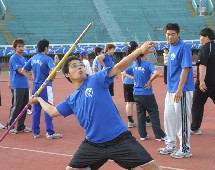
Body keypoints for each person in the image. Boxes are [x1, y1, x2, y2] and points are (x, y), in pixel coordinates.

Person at [28, 41, 162, 170]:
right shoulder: (72, 99)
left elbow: (119, 67)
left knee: (152, 166)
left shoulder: (96, 79)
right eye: (74, 66)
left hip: (120, 139)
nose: (80, 66)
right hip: (93, 144)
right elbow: (52, 111)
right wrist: (39, 99)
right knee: (72, 169)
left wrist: (139, 51)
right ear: (67, 74)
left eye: (81, 64)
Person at [158, 23, 195, 159]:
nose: (170, 36)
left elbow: (186, 68)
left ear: (178, 34)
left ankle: (185, 149)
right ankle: (171, 144)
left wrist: (179, 89)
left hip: (182, 90)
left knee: (182, 120)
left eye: (173, 34)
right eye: (168, 34)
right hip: (171, 90)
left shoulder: (183, 47)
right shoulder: (171, 48)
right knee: (169, 118)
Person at [22, 39, 62, 139]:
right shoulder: (47, 58)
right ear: (46, 48)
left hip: (35, 86)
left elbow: (23, 70)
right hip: (45, 86)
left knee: (36, 109)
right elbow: (54, 69)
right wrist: (51, 79)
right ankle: (50, 132)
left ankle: (36, 132)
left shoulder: (33, 58)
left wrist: (32, 79)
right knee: (48, 108)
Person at [124, 53, 166, 141]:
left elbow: (124, 73)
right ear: (145, 55)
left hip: (136, 93)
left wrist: (133, 78)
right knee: (153, 114)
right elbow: (156, 73)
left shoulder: (134, 64)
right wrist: (150, 80)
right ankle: (159, 136)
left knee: (140, 114)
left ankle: (143, 135)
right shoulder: (148, 64)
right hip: (146, 93)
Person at [6, 38, 33, 134]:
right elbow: (21, 71)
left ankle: (21, 126)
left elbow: (29, 70)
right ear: (15, 48)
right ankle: (10, 125)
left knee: (25, 106)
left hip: (25, 85)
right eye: (19, 46)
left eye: (22, 46)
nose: (21, 48)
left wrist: (29, 73)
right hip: (17, 85)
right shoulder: (14, 58)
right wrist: (32, 78)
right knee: (16, 105)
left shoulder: (24, 58)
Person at [122, 41, 138, 128]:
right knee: (141, 101)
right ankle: (146, 119)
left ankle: (130, 121)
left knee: (129, 102)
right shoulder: (136, 58)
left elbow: (122, 71)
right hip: (136, 82)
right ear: (136, 48)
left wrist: (123, 80)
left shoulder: (124, 59)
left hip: (126, 83)